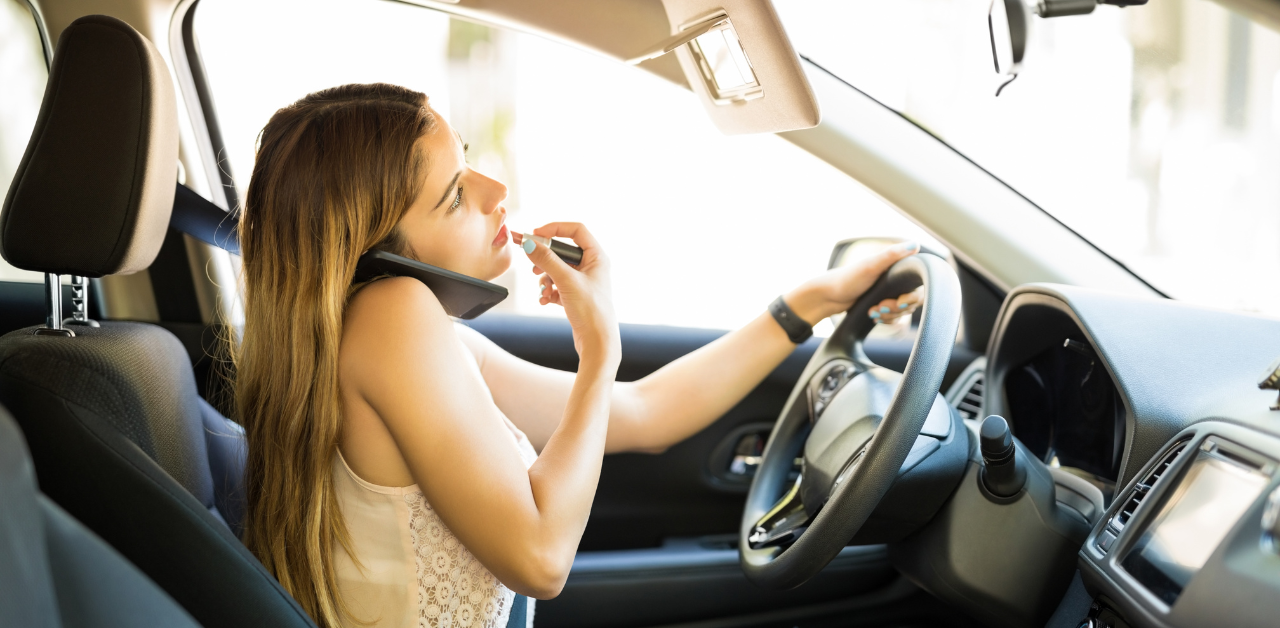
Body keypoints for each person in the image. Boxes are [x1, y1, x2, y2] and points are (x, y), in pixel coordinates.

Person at [234, 83, 920, 628]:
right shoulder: (395, 318)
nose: (495, 191)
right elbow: (540, 558)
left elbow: (644, 412)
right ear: (376, 250)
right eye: (454, 197)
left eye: (468, 158)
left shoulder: (392, 335)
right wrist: (598, 353)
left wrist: (809, 302)